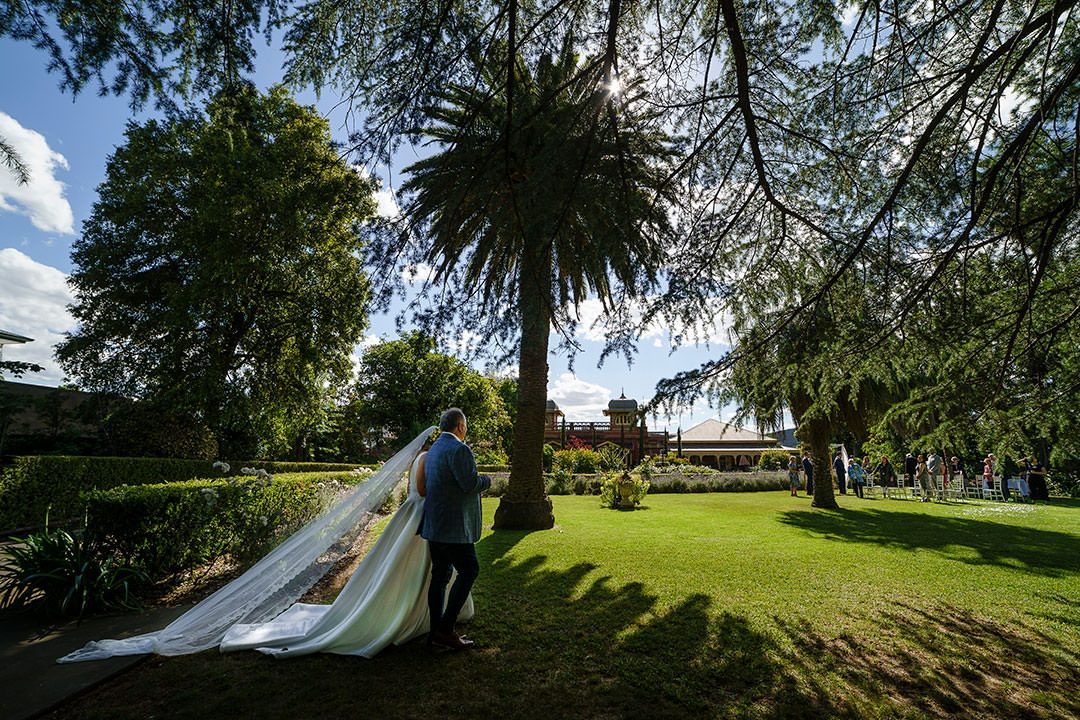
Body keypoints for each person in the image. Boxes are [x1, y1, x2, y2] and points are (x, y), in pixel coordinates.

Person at [419, 408, 491, 650]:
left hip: (434, 524)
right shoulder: (460, 449)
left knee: (440, 576)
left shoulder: (434, 450)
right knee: (469, 570)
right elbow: (470, 483)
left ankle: (435, 630)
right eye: (466, 425)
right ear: (460, 426)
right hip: (453, 527)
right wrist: (487, 481)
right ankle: (446, 630)